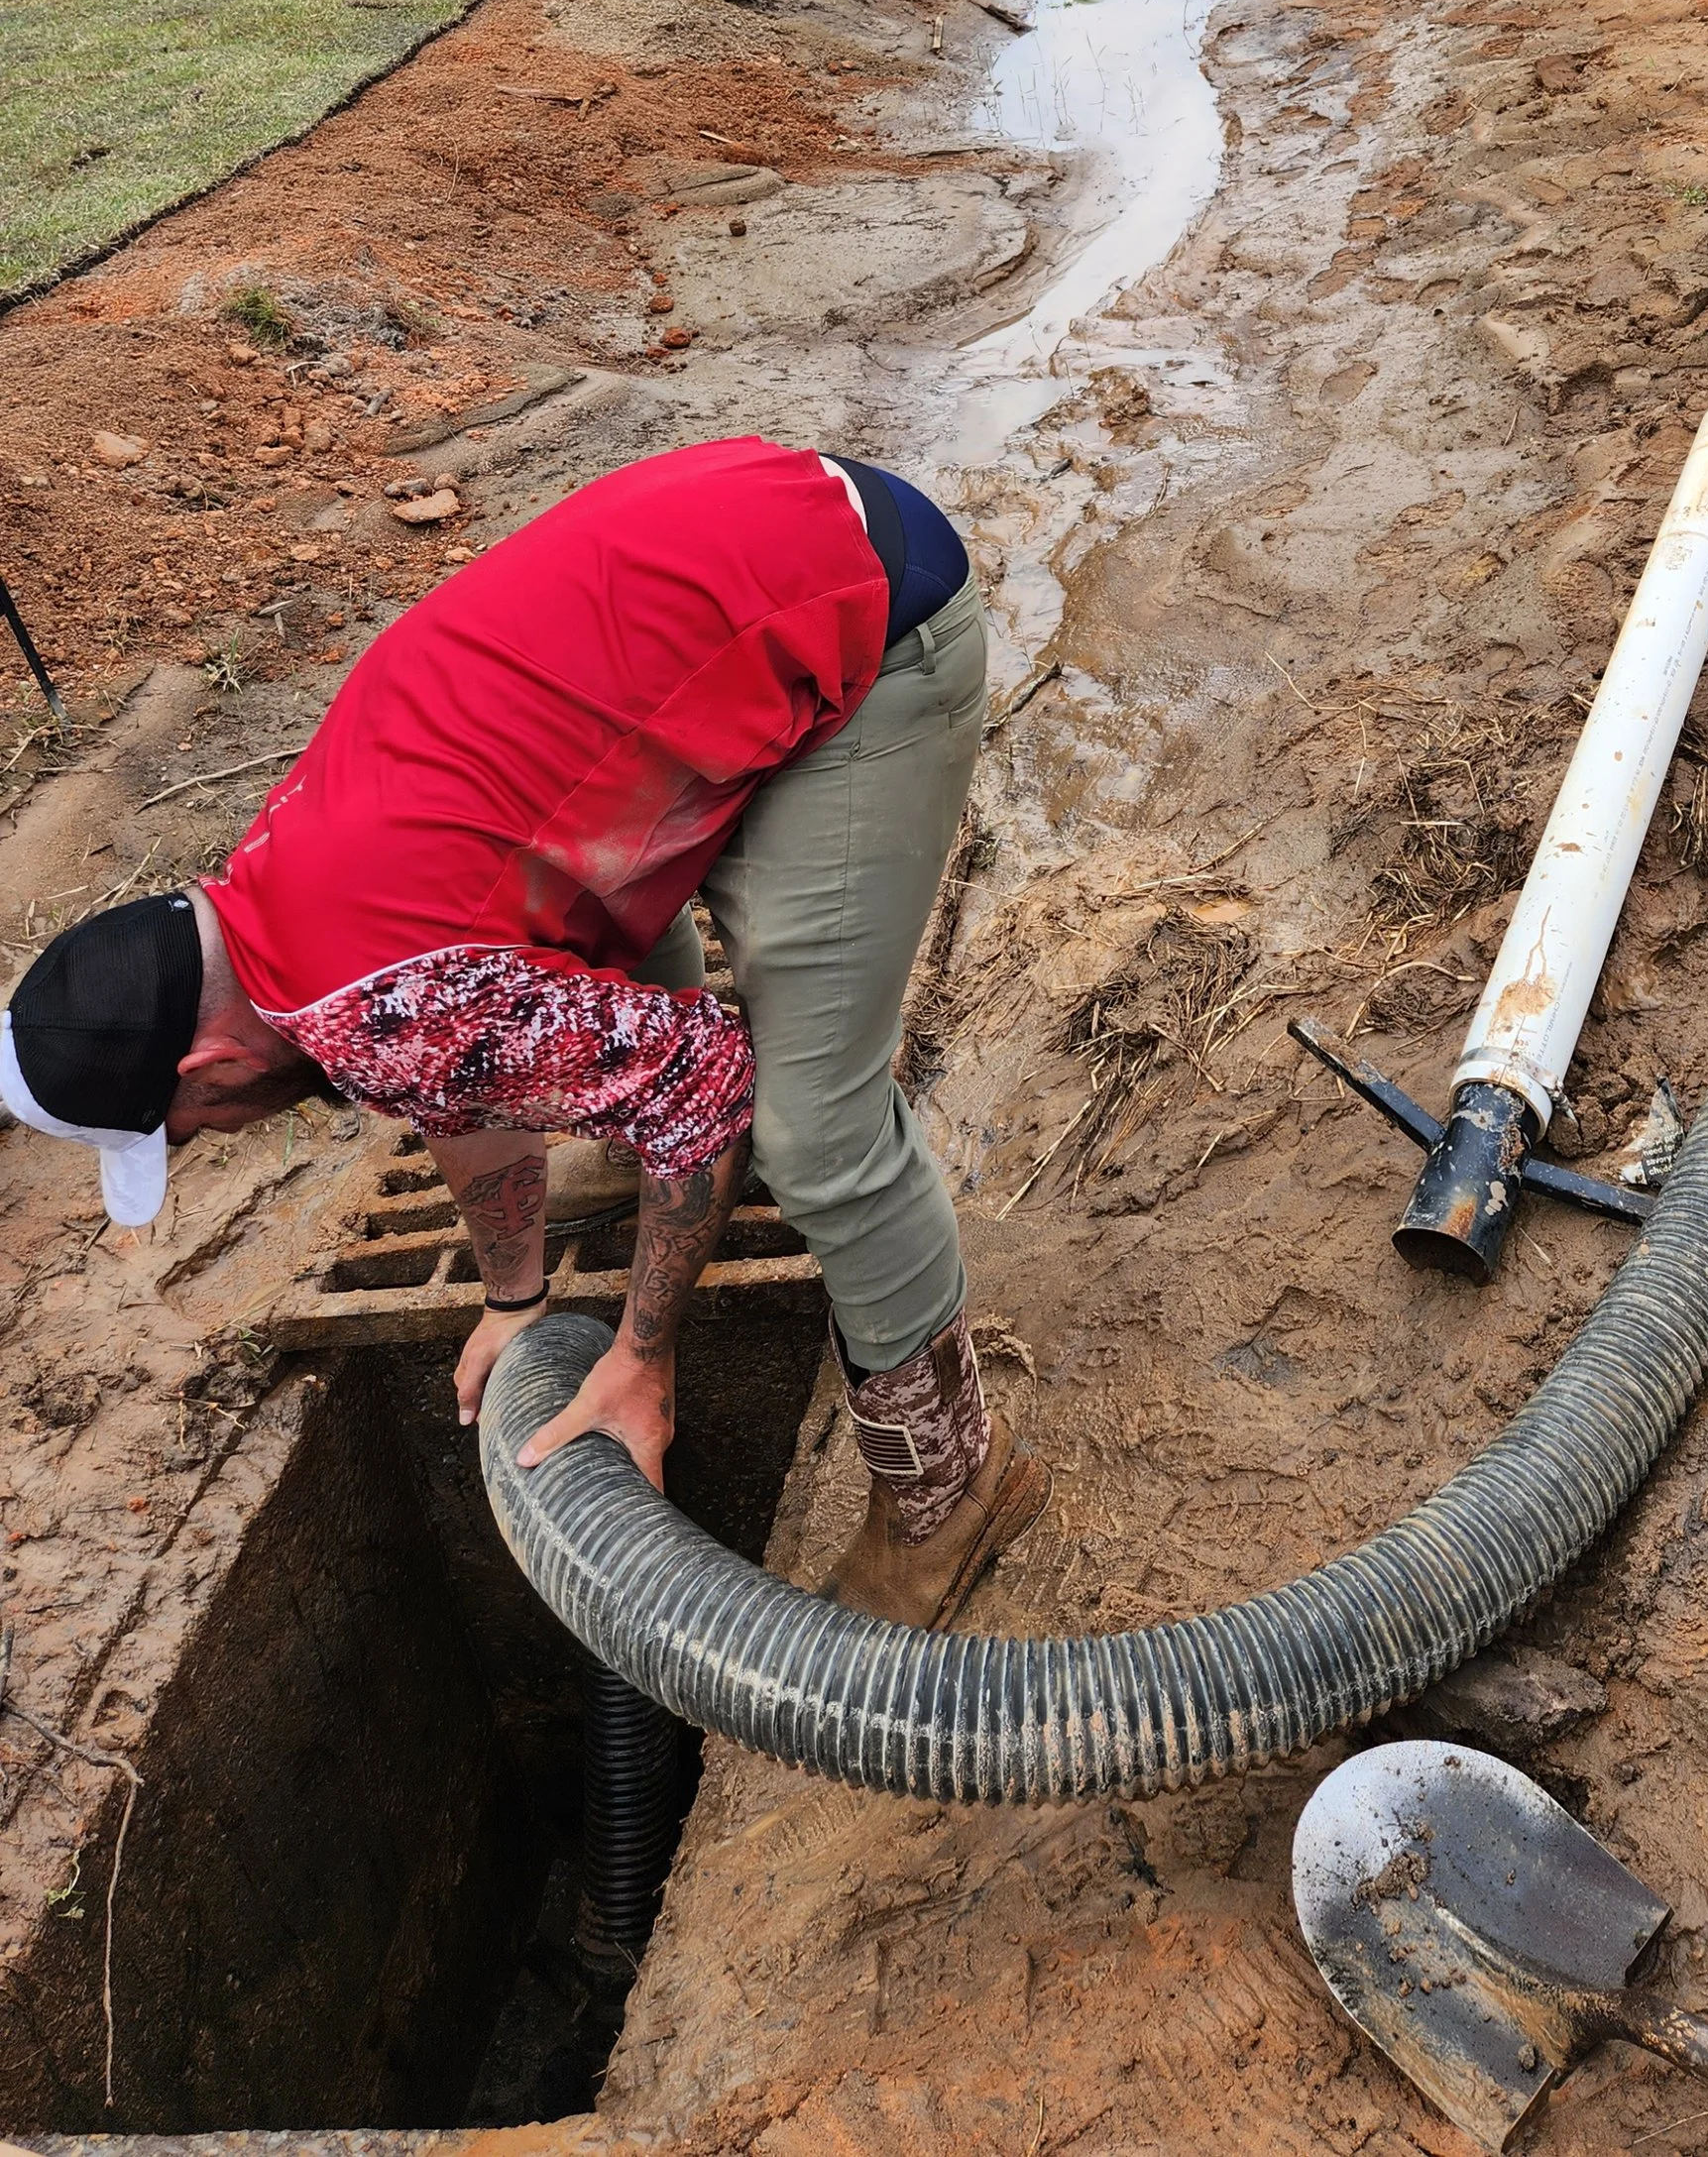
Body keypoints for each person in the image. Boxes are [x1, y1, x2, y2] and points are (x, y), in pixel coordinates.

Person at [0, 437, 1045, 1631]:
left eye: (185, 1131)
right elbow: (458, 1075)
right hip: (751, 535)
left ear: (211, 1064)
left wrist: (644, 1357)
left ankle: (955, 1488)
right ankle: (663, 1143)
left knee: (816, 1135)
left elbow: (693, 1078)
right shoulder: (275, 886)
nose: (210, 1137)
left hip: (861, 611)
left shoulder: (377, 1005)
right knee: (575, 970)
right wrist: (513, 1299)